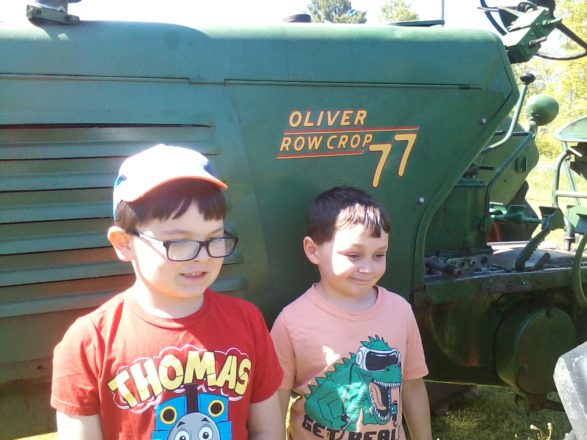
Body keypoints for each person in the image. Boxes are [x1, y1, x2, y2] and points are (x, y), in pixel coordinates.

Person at [51, 144, 284, 439]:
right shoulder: (88, 342)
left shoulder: (247, 321)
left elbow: (267, 431)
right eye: (179, 242)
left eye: (214, 238)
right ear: (124, 243)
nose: (202, 256)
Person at [271, 186, 432, 440]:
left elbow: (412, 386)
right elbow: (275, 403)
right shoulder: (291, 322)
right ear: (313, 250)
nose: (368, 268)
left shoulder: (400, 311)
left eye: (379, 254)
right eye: (354, 255)